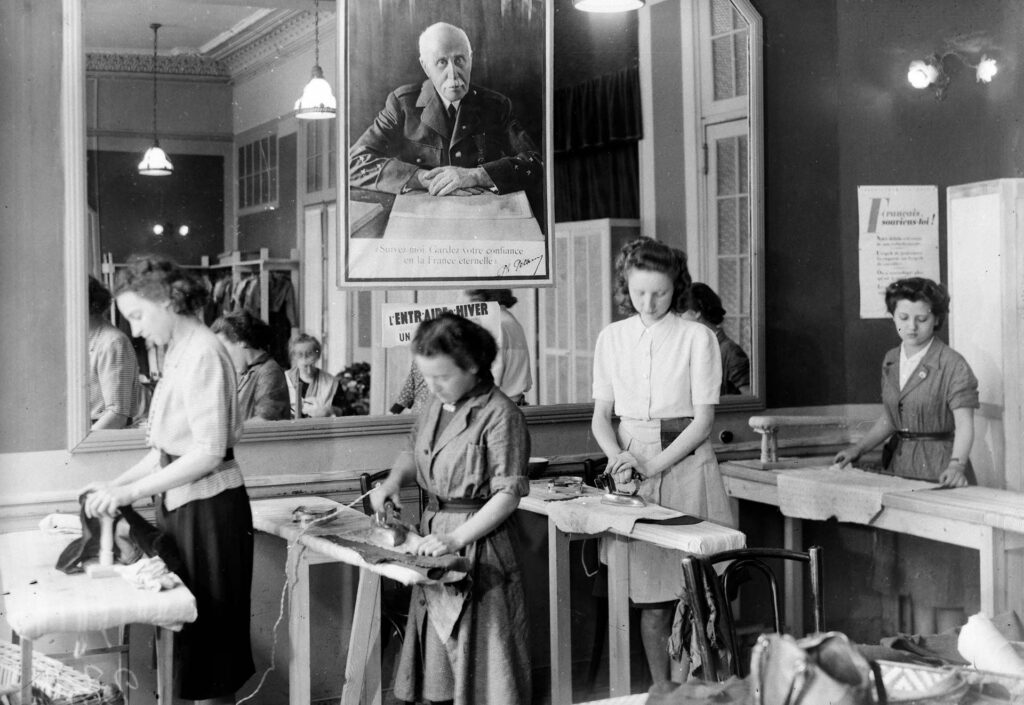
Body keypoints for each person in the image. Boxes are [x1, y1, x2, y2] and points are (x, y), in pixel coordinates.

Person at [82, 256, 254, 705]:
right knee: (190, 649)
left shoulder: (203, 352)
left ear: (168, 300)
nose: (135, 331)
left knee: (211, 654)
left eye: (138, 316)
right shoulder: (178, 351)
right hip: (183, 507)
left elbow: (209, 451)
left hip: (210, 514)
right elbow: (163, 452)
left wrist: (131, 492)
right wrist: (115, 488)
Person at [591, 237, 734, 686]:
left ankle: (694, 691)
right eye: (639, 293)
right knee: (649, 598)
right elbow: (600, 417)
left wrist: (652, 467)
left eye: (660, 293)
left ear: (677, 288)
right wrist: (620, 460)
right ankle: (662, 690)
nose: (649, 303)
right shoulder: (612, 338)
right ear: (625, 289)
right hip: (631, 466)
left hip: (687, 466)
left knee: (694, 594)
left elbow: (703, 421)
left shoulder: (698, 338)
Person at [369, 312, 531, 704]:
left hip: (478, 545)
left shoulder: (501, 414)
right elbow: (413, 452)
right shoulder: (435, 405)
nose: (432, 385)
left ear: (473, 366)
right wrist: (392, 482)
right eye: (426, 376)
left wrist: (455, 538)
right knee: (439, 669)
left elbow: (508, 494)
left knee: (484, 676)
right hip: (434, 540)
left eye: (442, 377)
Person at [834, 277, 979, 634]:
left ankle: (945, 656)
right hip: (900, 467)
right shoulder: (890, 360)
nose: (911, 327)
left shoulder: (952, 364)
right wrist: (858, 448)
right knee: (907, 572)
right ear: (893, 317)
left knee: (940, 576)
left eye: (922, 319)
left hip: (939, 468)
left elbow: (965, 424)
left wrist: (957, 465)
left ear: (937, 319)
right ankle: (913, 653)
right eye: (903, 317)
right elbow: (891, 417)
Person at [349, 22, 542, 201]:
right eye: (441, 62)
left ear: (471, 59)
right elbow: (353, 163)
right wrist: (422, 178)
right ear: (425, 66)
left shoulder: (496, 106)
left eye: (459, 60)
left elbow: (535, 163)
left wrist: (477, 175)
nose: (453, 73)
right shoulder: (402, 105)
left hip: (482, 215)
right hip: (420, 219)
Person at [211, 310, 291, 421]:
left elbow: (264, 421)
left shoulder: (270, 372)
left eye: (223, 347)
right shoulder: (243, 372)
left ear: (241, 341)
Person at [88, 275, 141, 429]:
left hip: (99, 434)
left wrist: (82, 444)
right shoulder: (81, 340)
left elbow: (117, 415)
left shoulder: (112, 342)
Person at [465, 288, 532, 404]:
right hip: (515, 399)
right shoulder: (510, 320)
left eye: (474, 300)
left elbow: (495, 369)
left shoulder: (495, 324)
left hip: (499, 403)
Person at [683, 282, 751, 395]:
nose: (678, 321)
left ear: (696, 314)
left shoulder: (731, 352)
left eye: (680, 315)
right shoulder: (694, 349)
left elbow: (750, 399)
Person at [285, 333, 339, 418]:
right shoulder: (285, 379)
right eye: (305, 366)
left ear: (317, 356)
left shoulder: (330, 382)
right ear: (294, 357)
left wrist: (328, 411)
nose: (309, 371)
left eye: (312, 364)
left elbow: (344, 410)